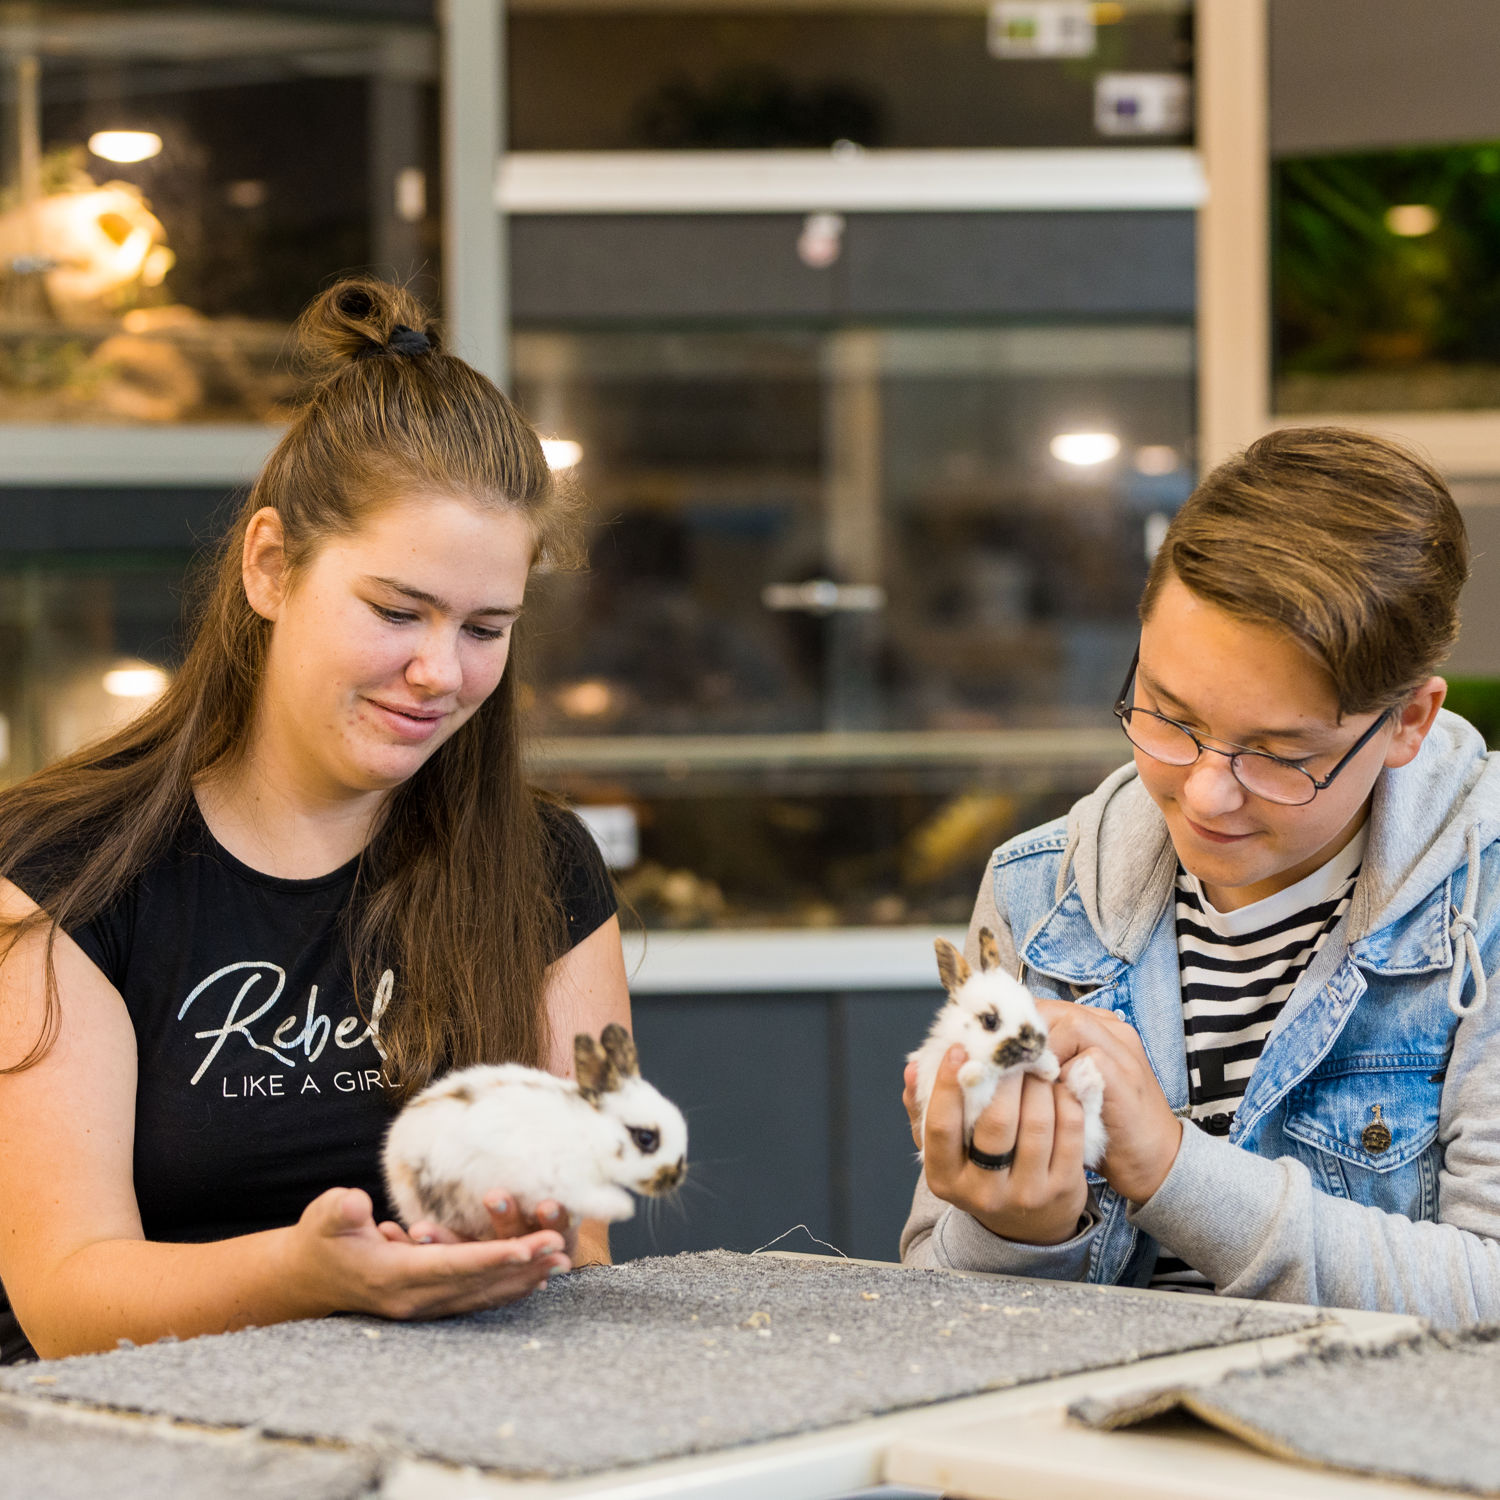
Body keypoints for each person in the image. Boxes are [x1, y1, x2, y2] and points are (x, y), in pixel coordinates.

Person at [0, 278, 627, 1363]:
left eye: (486, 628)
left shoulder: (544, 867)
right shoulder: (62, 870)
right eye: (396, 611)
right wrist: (309, 1278)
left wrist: (529, 1238)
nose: (440, 672)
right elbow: (65, 1297)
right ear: (271, 567)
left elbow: (586, 1250)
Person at [901, 426, 1500, 1326]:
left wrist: (1172, 1169)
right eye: (1169, 715)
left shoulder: (1482, 906)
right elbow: (932, 1300)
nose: (1208, 793)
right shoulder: (1043, 891)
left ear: (1409, 721)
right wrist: (1019, 1231)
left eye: (1281, 754)